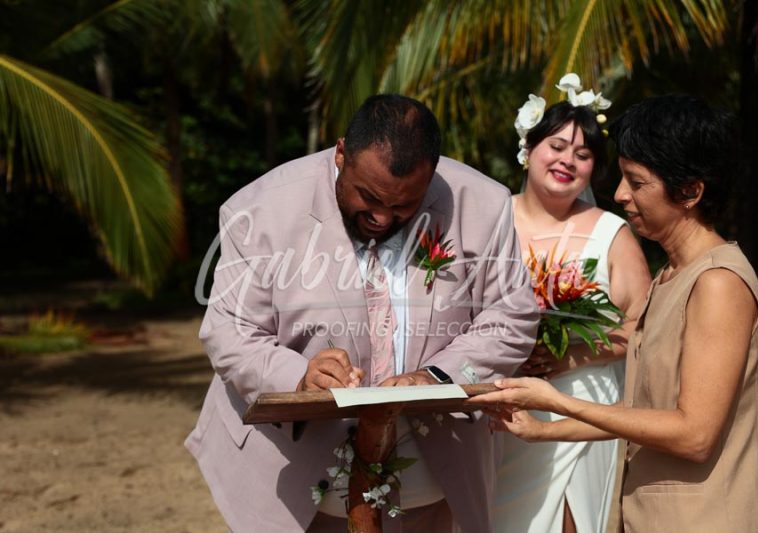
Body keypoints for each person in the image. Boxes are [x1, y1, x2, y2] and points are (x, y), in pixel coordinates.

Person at [185, 94, 538, 532]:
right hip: (294, 486)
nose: (381, 218)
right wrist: (300, 379)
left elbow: (511, 316)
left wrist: (436, 378)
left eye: (403, 206)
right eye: (368, 197)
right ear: (340, 154)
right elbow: (230, 332)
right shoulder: (258, 209)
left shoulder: (483, 203)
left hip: (433, 482)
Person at [471, 94, 758, 533]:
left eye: (636, 182)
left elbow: (694, 435)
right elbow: (641, 410)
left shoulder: (717, 283)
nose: (619, 195)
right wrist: (542, 429)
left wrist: (557, 400)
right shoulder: (671, 275)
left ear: (690, 192)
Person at [494, 77, 651, 533]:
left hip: (579, 404)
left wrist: (571, 355)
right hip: (503, 400)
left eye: (583, 154)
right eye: (557, 146)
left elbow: (644, 327)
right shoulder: (491, 219)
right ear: (529, 149)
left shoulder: (611, 233)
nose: (567, 160)